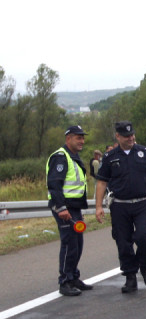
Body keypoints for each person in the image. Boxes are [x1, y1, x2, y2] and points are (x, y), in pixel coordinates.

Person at [94, 121, 146, 293]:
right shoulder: (110, 157)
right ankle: (130, 277)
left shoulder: (144, 153)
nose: (131, 138)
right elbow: (102, 182)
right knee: (123, 242)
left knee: (145, 237)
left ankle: (145, 266)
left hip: (142, 203)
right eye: (126, 136)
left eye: (132, 134)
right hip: (120, 206)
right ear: (117, 136)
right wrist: (98, 207)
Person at [47, 125, 91, 297]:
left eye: (82, 137)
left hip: (74, 207)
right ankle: (65, 281)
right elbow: (55, 185)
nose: (82, 141)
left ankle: (73, 277)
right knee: (69, 243)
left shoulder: (73, 156)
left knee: (78, 243)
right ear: (68, 139)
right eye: (78, 138)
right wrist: (61, 208)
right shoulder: (60, 157)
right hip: (64, 207)